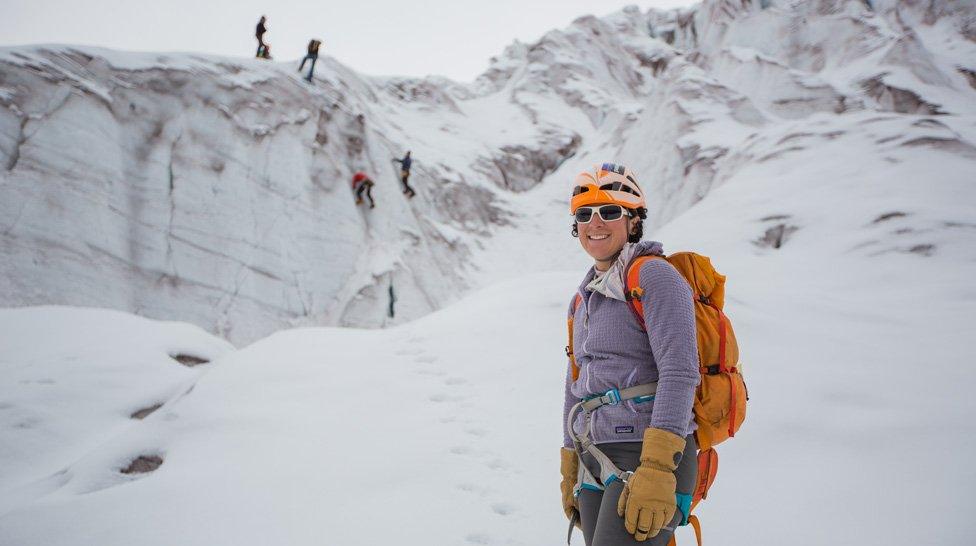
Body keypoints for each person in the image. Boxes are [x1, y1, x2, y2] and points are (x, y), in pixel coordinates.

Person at [560, 163, 700, 545]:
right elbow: (576, 384)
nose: (595, 222)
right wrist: (569, 460)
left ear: (633, 221)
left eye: (609, 211)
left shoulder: (654, 276)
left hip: (648, 452)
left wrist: (657, 465)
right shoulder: (582, 298)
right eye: (584, 214)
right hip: (594, 453)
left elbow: (681, 371)